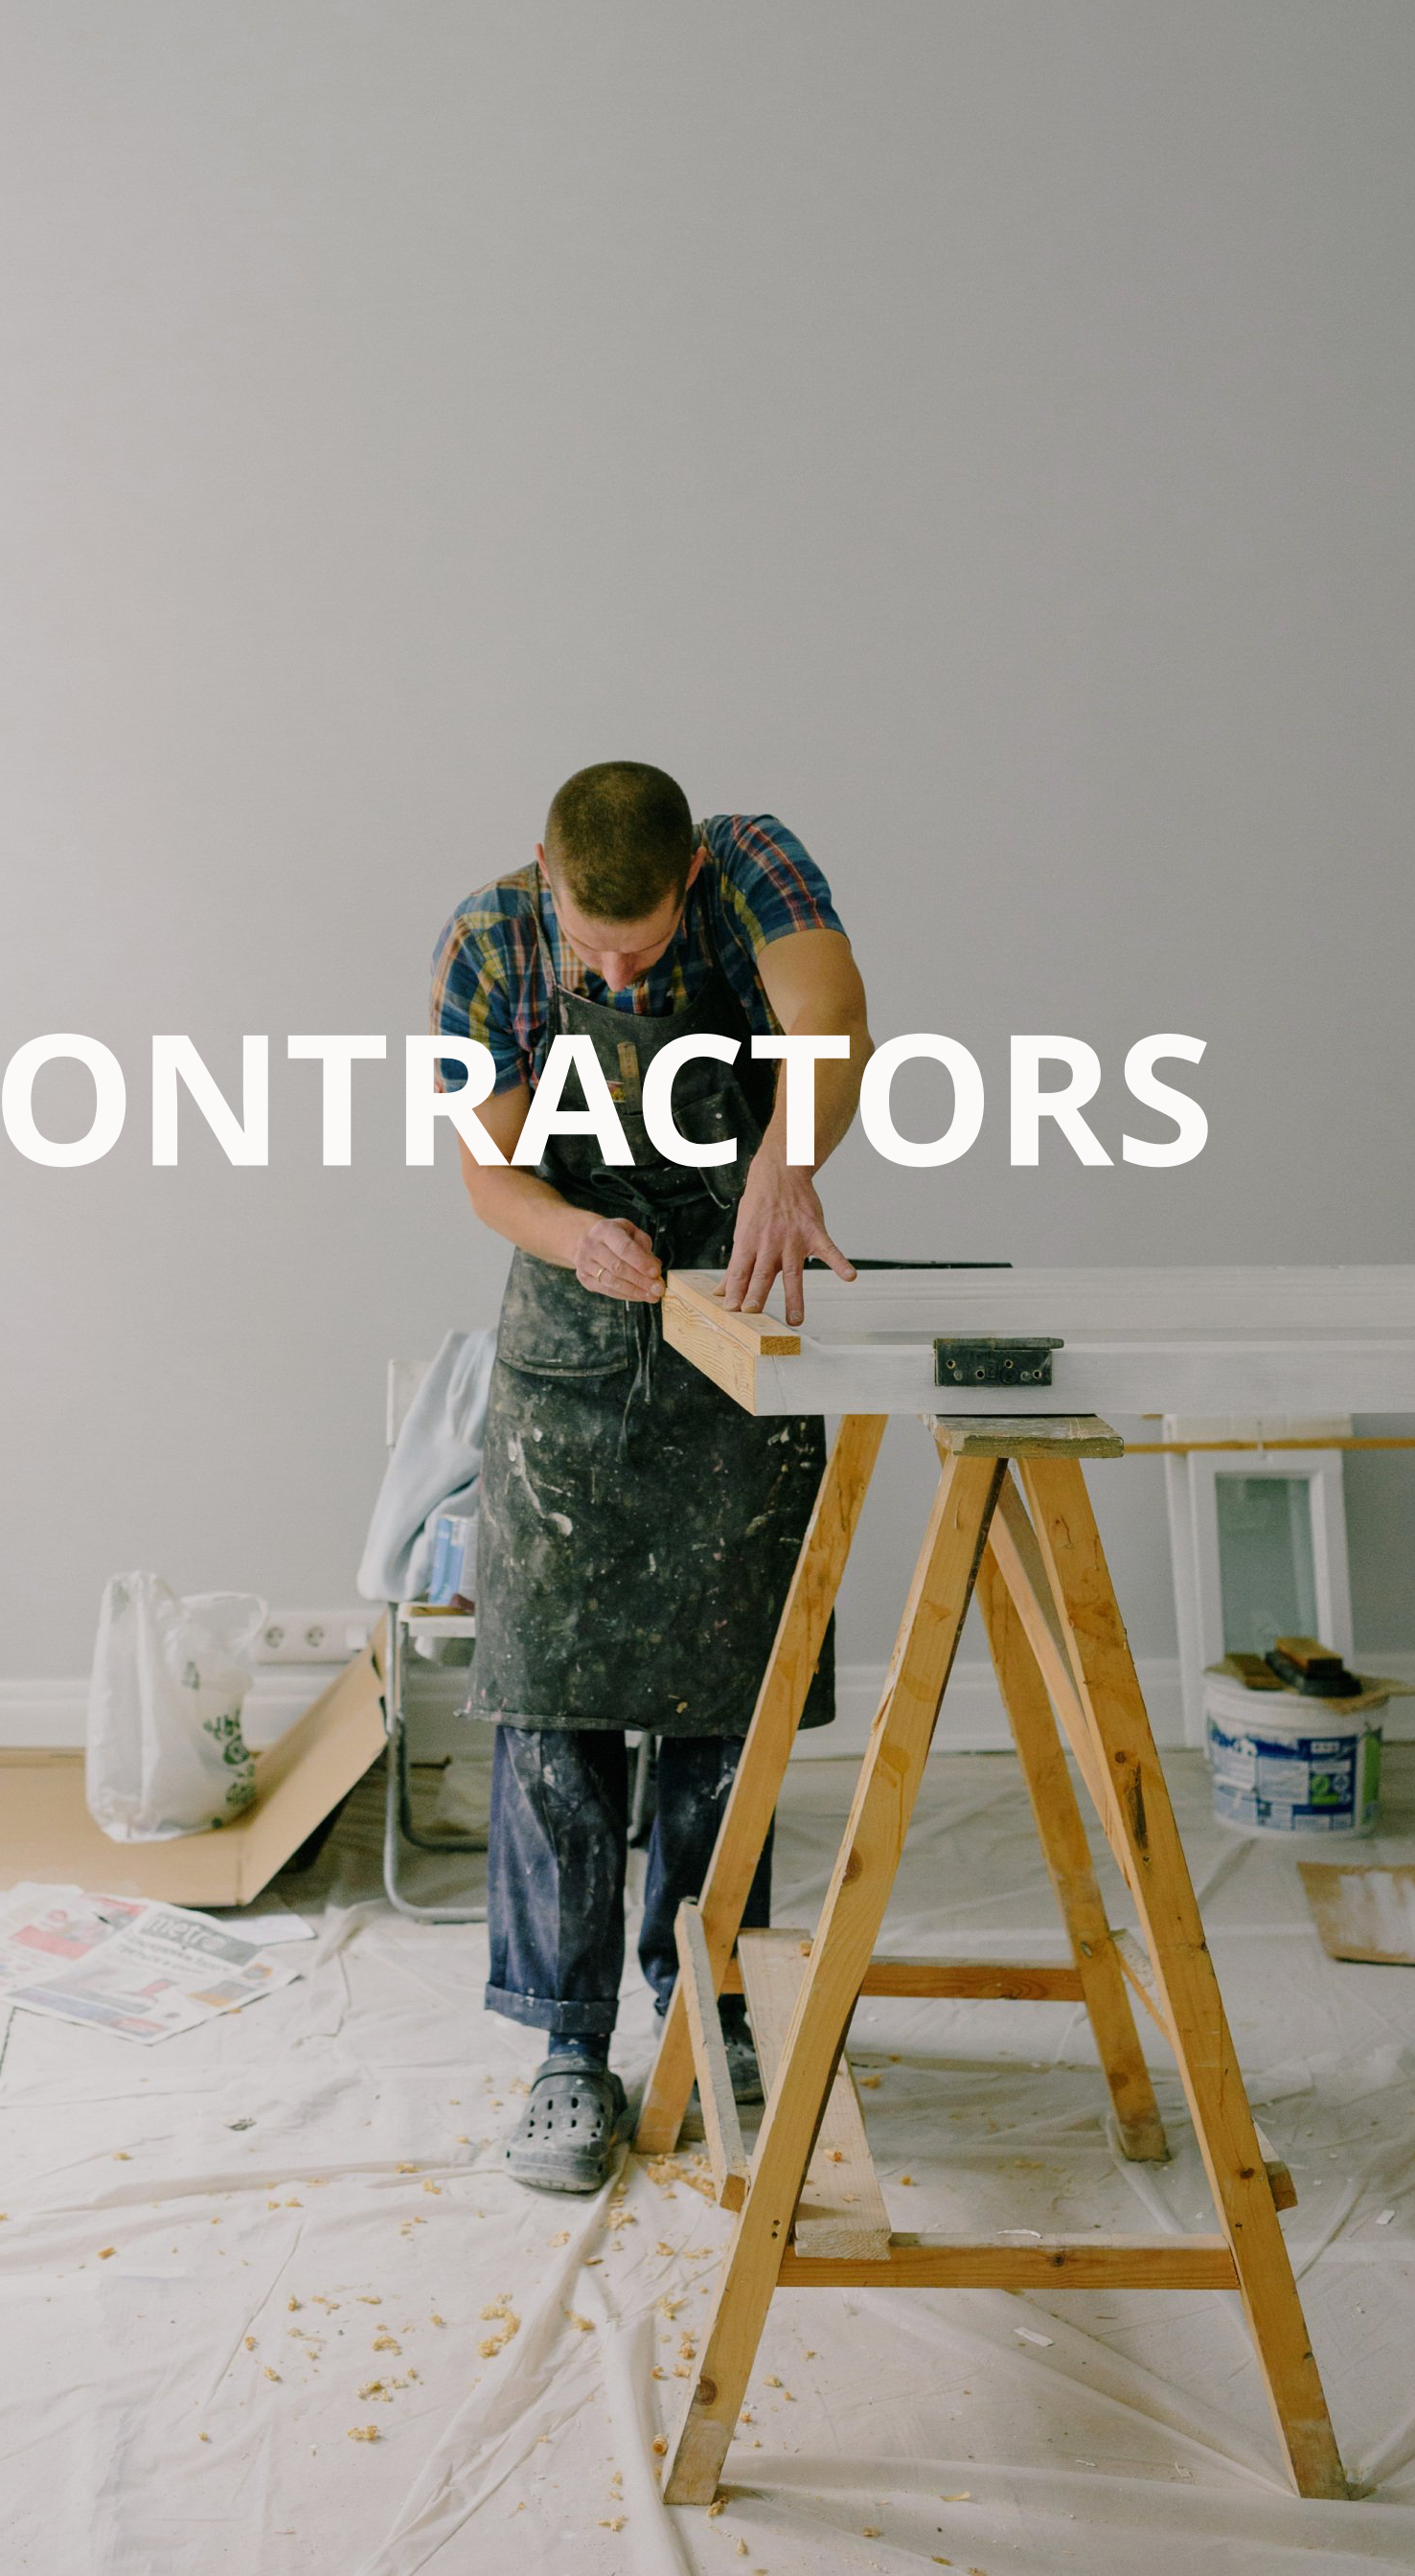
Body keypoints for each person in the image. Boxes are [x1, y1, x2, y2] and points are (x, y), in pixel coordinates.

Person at [431, 762, 873, 2192]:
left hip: (737, 1303)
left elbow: (835, 1025)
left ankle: (707, 2001)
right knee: (550, 1695)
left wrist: (785, 1165)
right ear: (544, 873)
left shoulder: (751, 868)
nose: (618, 979)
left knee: (727, 1686)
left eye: (645, 949)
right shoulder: (489, 940)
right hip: (570, 1332)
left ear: (689, 874)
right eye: (591, 947)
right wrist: (575, 1236)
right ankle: (569, 2048)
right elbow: (490, 1173)